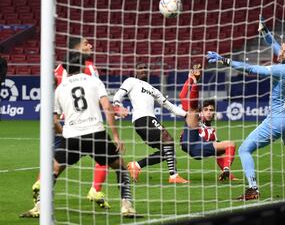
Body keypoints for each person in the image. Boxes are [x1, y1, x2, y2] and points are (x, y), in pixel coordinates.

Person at [206, 17, 285, 200]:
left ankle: (253, 189)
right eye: (282, 50)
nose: (281, 53)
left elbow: (250, 69)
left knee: (244, 149)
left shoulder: (280, 69)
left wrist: (224, 60)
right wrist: (265, 31)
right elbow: (274, 45)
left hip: (277, 120)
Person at [20, 52, 139, 218]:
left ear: (66, 70)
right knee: (121, 168)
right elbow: (107, 108)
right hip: (96, 134)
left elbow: (53, 120)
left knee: (52, 171)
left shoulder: (60, 89)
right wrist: (116, 136)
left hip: (72, 137)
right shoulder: (94, 81)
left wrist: (64, 135)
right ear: (83, 66)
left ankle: (40, 206)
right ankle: (126, 206)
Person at [113, 62, 189, 184]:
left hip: (149, 120)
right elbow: (119, 93)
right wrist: (116, 105)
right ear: (136, 71)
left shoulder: (154, 90)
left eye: (145, 68)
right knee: (168, 139)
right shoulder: (131, 81)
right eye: (140, 68)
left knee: (168, 150)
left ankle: (137, 165)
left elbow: (169, 106)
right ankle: (174, 176)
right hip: (142, 119)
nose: (143, 70)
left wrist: (186, 114)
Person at [179, 64, 237, 181]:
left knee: (230, 144)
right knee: (192, 110)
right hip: (189, 142)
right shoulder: (197, 116)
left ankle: (226, 171)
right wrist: (191, 80)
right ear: (202, 111)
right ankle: (195, 82)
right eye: (206, 110)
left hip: (198, 149)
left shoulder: (212, 133)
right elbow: (182, 96)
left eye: (211, 110)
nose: (209, 112)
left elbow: (217, 155)